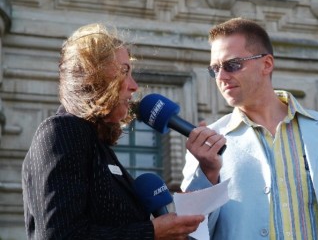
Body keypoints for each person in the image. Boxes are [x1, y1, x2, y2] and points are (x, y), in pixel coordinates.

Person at [181, 17, 318, 239]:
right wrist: (207, 173)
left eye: (232, 65)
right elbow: (191, 232)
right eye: (214, 69)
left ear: (267, 64)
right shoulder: (207, 144)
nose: (221, 77)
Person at [21, 23, 204, 240]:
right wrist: (152, 231)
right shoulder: (61, 131)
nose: (134, 86)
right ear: (91, 75)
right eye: (124, 71)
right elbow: (60, 235)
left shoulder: (96, 143)